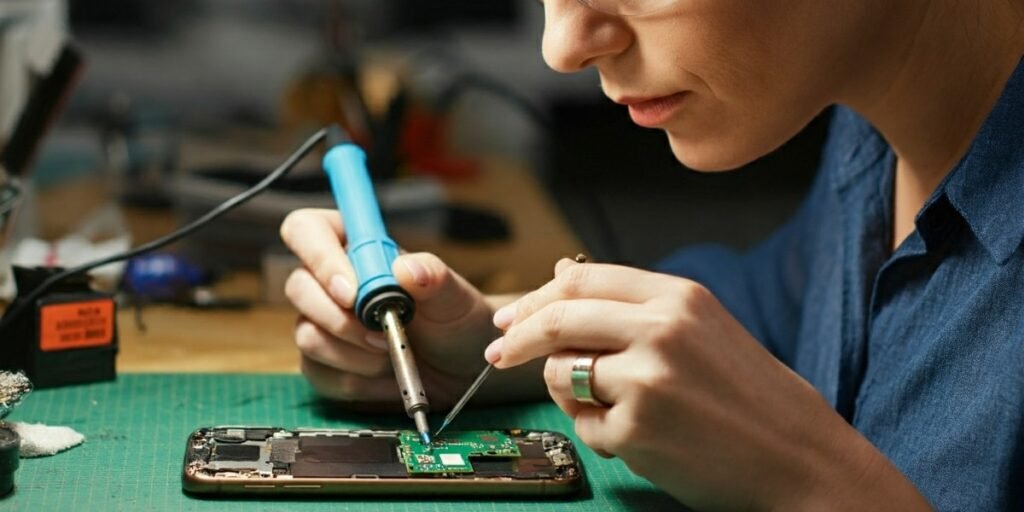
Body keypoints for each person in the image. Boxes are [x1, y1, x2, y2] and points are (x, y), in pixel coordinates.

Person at [279, 0, 1024, 508]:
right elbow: (773, 306)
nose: (562, 46)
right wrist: (491, 343)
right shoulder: (875, 116)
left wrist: (809, 483)